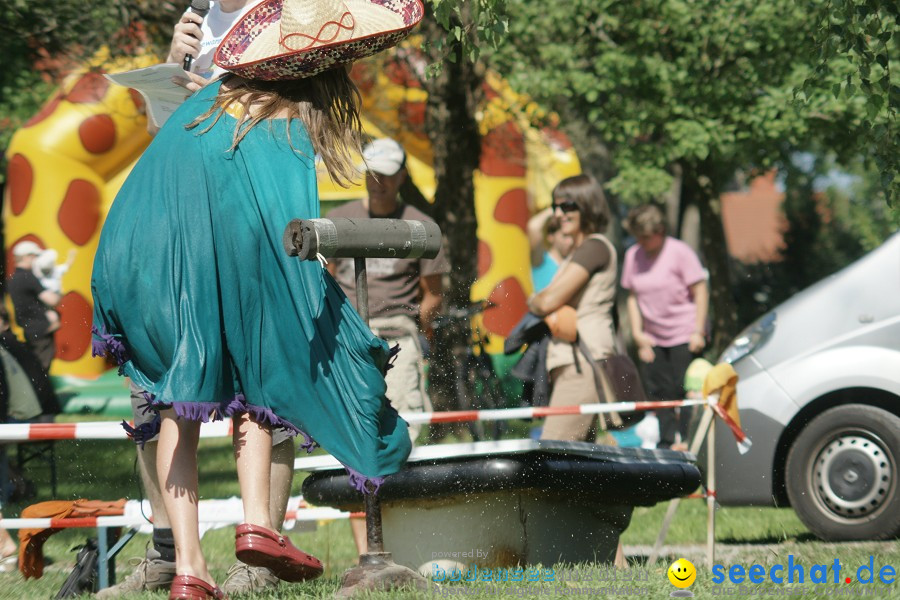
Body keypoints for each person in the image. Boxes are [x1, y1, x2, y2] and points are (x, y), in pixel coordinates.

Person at [90, 1, 422, 598]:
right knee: (262, 363)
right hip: (203, 246)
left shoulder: (205, 106)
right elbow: (277, 215)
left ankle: (189, 569)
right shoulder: (279, 123)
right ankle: (257, 528)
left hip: (135, 248)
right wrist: (307, 263)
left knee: (176, 400)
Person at [96, 2, 290, 596]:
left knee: (261, 388)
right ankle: (176, 558)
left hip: (242, 213)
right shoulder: (192, 21)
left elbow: (293, 122)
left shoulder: (280, 18)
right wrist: (169, 73)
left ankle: (248, 563)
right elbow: (163, 133)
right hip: (177, 220)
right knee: (164, 395)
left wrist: (224, 97)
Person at [326, 137, 448, 554]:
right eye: (371, 172)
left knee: (406, 424)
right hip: (347, 337)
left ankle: (408, 535)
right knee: (349, 434)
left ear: (401, 176)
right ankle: (367, 544)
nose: (377, 181)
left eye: (386, 173)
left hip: (398, 335)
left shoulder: (419, 226)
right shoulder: (338, 221)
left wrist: (420, 332)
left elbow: (433, 295)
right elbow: (320, 280)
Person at [526, 174, 617, 443]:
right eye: (556, 207)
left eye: (567, 206)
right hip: (573, 362)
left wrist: (535, 299)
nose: (558, 214)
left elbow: (546, 302)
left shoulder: (594, 247)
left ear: (587, 205)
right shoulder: (579, 252)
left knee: (553, 453)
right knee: (577, 466)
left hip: (582, 364)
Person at [621, 203, 709, 450]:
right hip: (653, 338)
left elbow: (700, 291)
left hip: (684, 333)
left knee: (687, 391)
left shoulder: (680, 252)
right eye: (638, 236)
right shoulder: (632, 256)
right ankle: (667, 443)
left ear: (660, 230)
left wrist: (698, 331)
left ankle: (689, 442)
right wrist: (638, 335)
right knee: (661, 393)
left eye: (646, 236)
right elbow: (632, 297)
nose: (642, 241)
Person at [7, 241, 61, 372]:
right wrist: (58, 287)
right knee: (41, 369)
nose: (37, 260)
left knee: (35, 367)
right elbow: (52, 300)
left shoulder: (13, 278)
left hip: (28, 328)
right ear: (27, 257)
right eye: (35, 256)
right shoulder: (28, 277)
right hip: (41, 329)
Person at [527, 206, 575, 292]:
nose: (570, 241)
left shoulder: (572, 259)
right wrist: (557, 207)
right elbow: (533, 226)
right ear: (551, 237)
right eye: (565, 236)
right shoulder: (540, 258)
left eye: (571, 236)